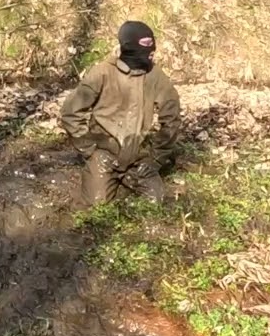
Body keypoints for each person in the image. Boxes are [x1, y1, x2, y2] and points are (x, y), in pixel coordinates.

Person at [59, 21, 181, 205]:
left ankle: (127, 182)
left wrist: (156, 158)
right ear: (128, 46)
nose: (150, 54)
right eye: (146, 48)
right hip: (104, 156)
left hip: (139, 160)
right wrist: (89, 150)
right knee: (96, 208)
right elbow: (71, 112)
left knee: (156, 204)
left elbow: (171, 118)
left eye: (151, 48)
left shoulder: (155, 76)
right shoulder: (102, 73)